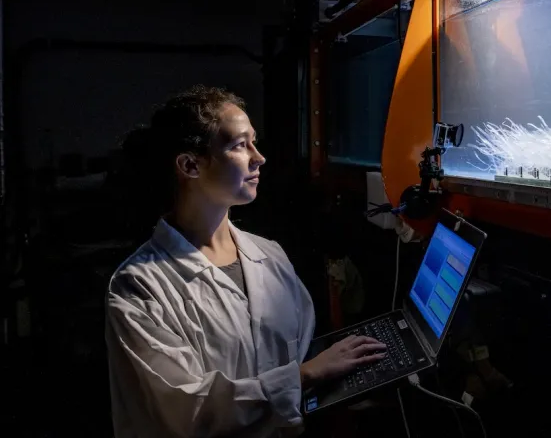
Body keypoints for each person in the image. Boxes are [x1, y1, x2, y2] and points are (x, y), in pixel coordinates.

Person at [106, 86, 385, 437]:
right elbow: (187, 411)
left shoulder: (269, 255)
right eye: (240, 145)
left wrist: (344, 382)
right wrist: (306, 376)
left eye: (254, 142)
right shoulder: (138, 286)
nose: (259, 157)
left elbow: (297, 354)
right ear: (190, 165)